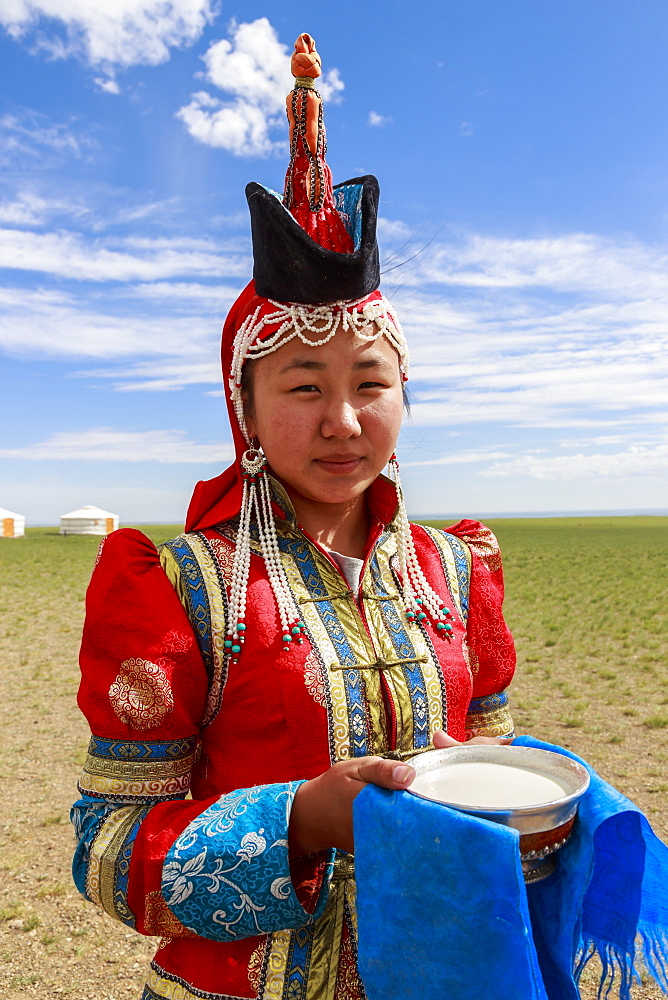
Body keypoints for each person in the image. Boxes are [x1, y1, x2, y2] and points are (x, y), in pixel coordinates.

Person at [71, 33, 516, 1000]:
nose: (342, 421)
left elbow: (498, 763)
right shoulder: (187, 590)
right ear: (247, 408)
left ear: (406, 397)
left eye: (370, 383)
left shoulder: (452, 572)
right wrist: (300, 823)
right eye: (303, 386)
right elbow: (105, 852)